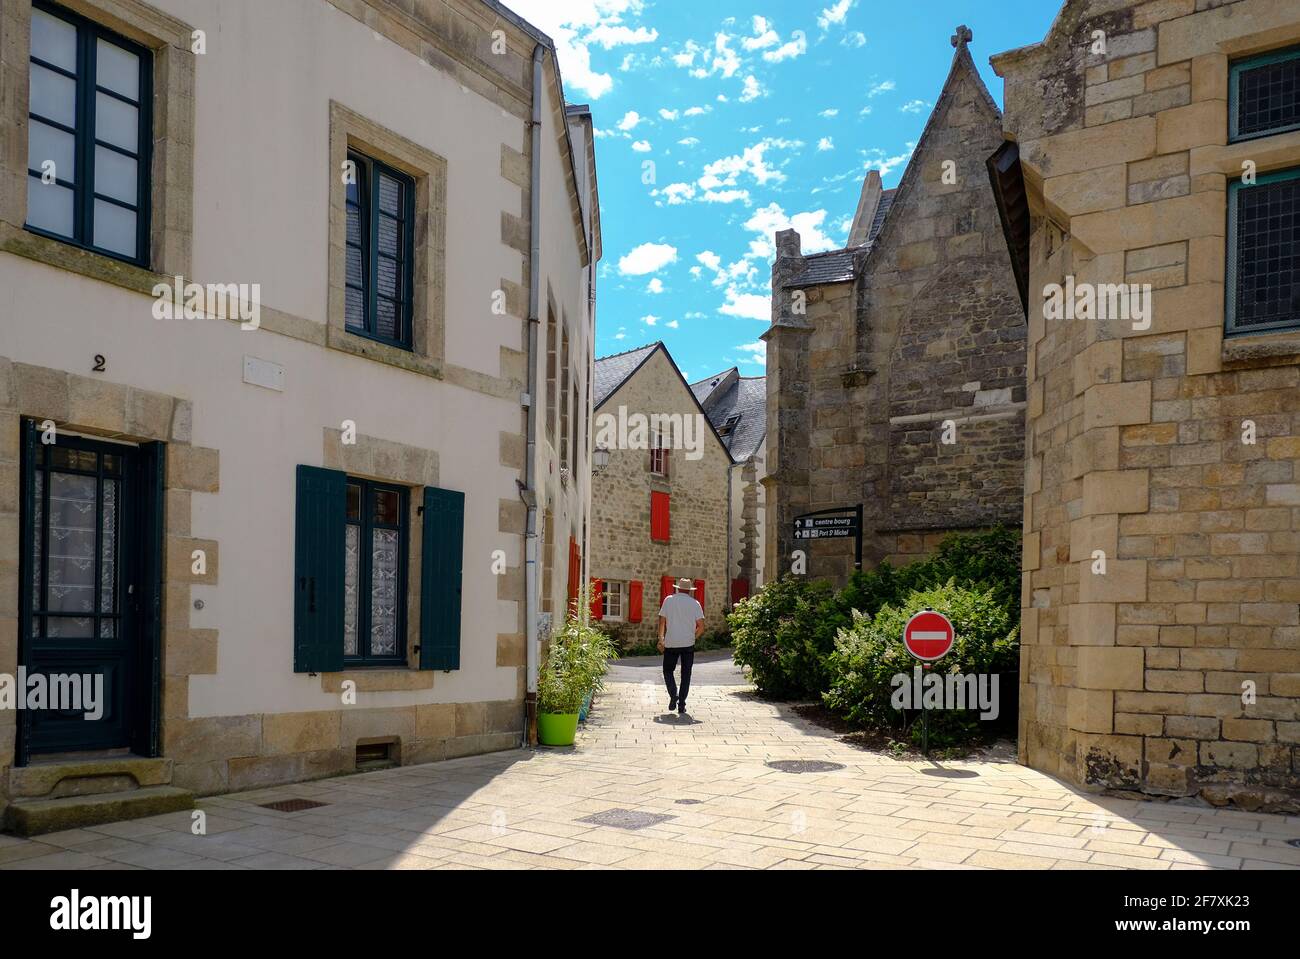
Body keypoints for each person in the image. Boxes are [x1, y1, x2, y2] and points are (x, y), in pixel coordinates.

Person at [657, 578, 704, 715]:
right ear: (689, 590)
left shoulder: (669, 600)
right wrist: (693, 637)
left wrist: (661, 639)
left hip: (671, 642)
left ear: (677, 588)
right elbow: (701, 627)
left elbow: (662, 622)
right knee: (686, 674)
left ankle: (673, 695)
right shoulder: (695, 604)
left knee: (667, 670)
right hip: (688, 644)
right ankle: (682, 705)